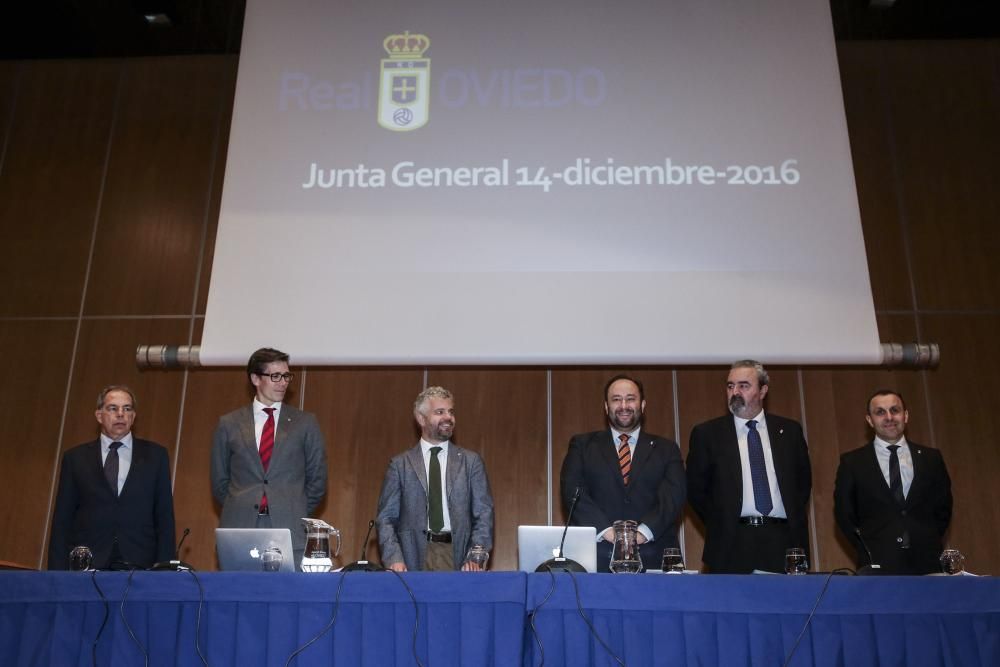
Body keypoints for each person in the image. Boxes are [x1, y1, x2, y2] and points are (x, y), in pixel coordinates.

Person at [687, 360, 812, 573]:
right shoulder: (707, 434)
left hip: (784, 542)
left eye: (744, 385)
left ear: (763, 391)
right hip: (731, 543)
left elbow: (802, 485)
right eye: (730, 386)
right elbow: (696, 490)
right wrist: (723, 522)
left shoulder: (789, 431)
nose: (735, 392)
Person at [210, 347, 328, 567]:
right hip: (239, 526)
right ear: (255, 378)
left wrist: (292, 505)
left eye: (286, 376)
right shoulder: (228, 424)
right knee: (238, 598)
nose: (283, 382)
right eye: (275, 376)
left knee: (288, 599)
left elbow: (317, 480)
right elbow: (220, 482)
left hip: (289, 526)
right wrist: (242, 503)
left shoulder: (306, 423)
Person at [560, 374, 686, 573]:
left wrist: (640, 534)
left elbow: (673, 497)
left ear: (642, 405)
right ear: (606, 407)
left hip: (655, 557)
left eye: (630, 398)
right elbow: (572, 493)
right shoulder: (582, 446)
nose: (623, 405)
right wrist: (611, 534)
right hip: (597, 558)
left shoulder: (667, 449)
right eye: (616, 399)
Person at [49, 386, 176, 570]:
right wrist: (56, 574)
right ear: (99, 415)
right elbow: (62, 520)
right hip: (87, 562)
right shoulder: (75, 458)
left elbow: (164, 517)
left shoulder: (156, 456)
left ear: (133, 417)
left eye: (127, 409)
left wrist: (165, 568)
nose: (120, 414)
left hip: (140, 561)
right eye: (112, 408)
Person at [834, 390, 952, 575]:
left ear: (905, 415)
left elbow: (943, 509)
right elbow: (844, 515)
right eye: (880, 412)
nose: (889, 417)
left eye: (894, 410)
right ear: (870, 420)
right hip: (877, 565)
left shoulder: (931, 459)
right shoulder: (852, 462)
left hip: (927, 563)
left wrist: (923, 537)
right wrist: (870, 547)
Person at [376, 386, 494, 571]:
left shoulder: (471, 463)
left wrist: (475, 556)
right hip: (411, 559)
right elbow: (386, 518)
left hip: (458, 557)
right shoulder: (400, 465)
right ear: (421, 418)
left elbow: (484, 514)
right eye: (440, 412)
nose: (448, 418)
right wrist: (393, 559)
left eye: (451, 412)